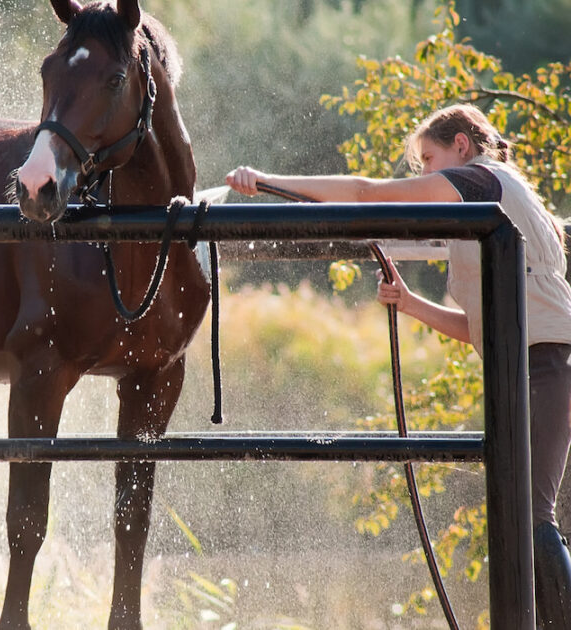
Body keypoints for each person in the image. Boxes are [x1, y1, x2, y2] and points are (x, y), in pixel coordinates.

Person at [225, 103, 571, 626]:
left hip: (549, 364)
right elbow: (482, 328)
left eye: (429, 159)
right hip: (537, 363)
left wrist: (268, 181)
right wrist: (411, 304)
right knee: (523, 515)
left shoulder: (481, 179)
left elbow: (367, 193)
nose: (427, 176)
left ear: (460, 146)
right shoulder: (493, 209)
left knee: (532, 516)